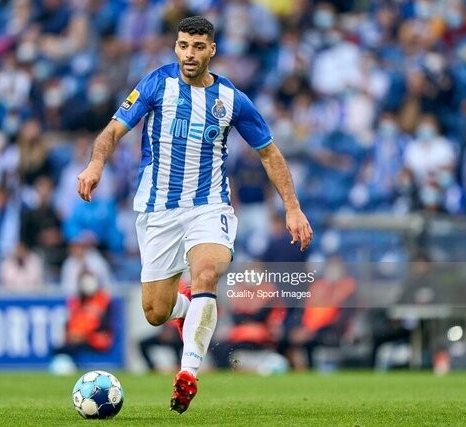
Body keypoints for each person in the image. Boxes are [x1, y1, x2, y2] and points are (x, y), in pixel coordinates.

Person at [77, 16, 312, 413]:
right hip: (157, 210)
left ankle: (188, 373)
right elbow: (114, 130)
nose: (189, 53)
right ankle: (187, 310)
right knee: (155, 312)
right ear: (176, 46)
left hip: (209, 205)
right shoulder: (156, 84)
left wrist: (292, 207)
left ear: (211, 50)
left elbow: (269, 152)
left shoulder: (231, 99)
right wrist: (96, 164)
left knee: (205, 275)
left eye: (198, 47)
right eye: (184, 45)